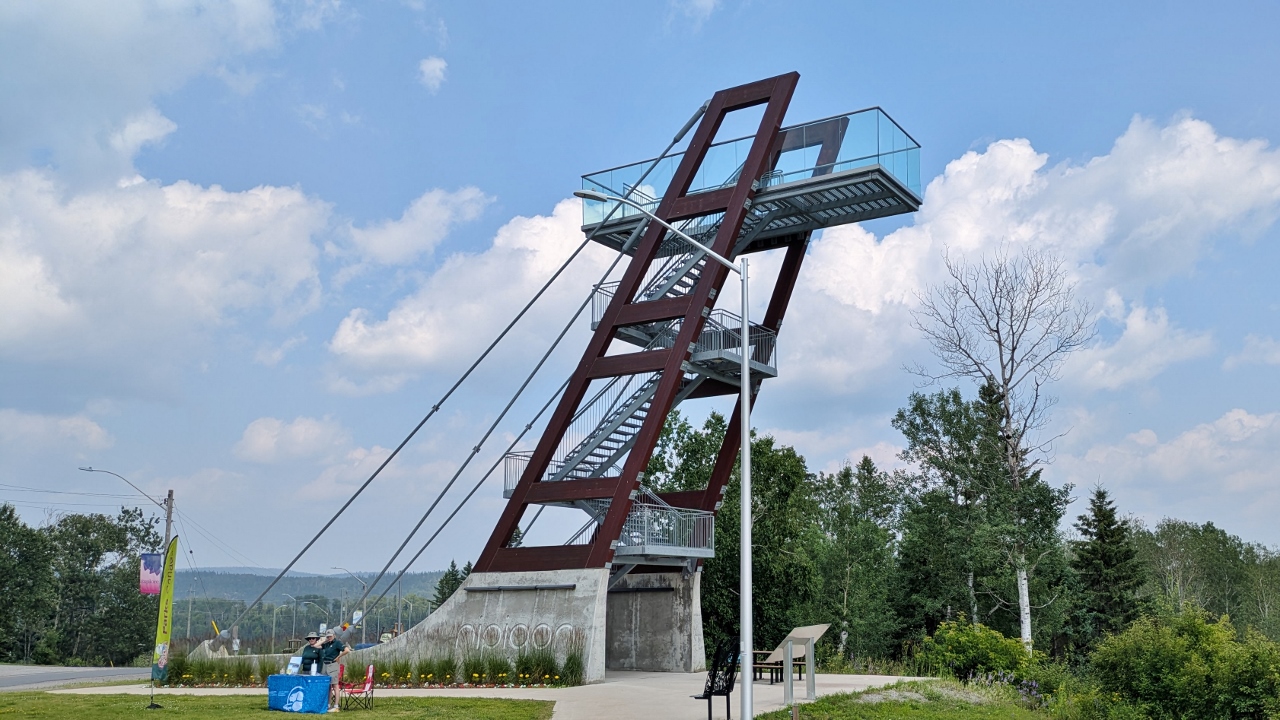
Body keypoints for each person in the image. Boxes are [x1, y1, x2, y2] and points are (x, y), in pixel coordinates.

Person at [320, 628, 351, 711]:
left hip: (333, 665)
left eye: (330, 636)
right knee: (328, 686)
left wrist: (338, 657)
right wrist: (324, 640)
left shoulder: (337, 643)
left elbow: (347, 650)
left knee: (335, 685)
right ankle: (328, 705)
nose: (329, 637)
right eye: (328, 636)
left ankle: (336, 705)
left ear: (334, 635)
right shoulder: (326, 644)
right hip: (325, 665)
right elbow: (316, 646)